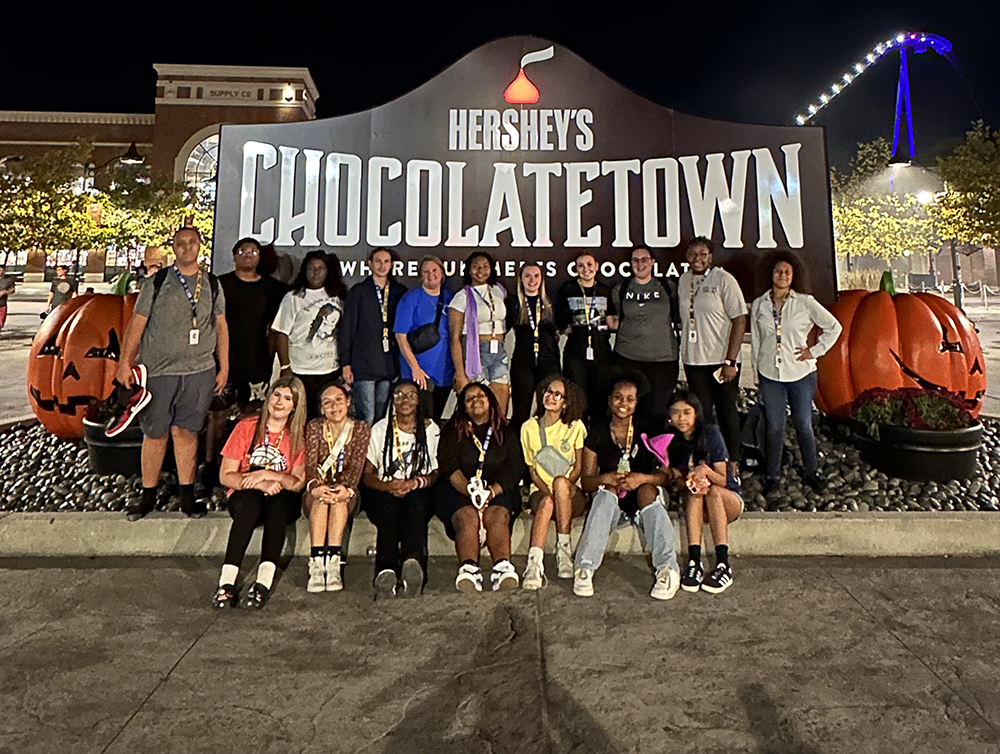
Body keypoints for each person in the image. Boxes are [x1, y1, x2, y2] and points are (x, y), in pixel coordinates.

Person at [117, 226, 228, 521]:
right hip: (159, 371)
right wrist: (124, 362)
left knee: (187, 433)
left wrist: (224, 365)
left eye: (192, 242)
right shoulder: (158, 281)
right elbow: (137, 324)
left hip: (199, 371)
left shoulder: (213, 284)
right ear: (174, 247)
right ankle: (148, 495)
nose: (187, 247)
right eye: (181, 243)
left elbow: (220, 327)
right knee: (155, 433)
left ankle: (187, 496)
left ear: (200, 246)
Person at [572, 374, 680, 600]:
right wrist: (606, 478)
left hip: (642, 498)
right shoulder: (598, 432)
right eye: (618, 397)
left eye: (630, 399)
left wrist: (641, 478)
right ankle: (585, 566)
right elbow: (587, 481)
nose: (624, 403)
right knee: (606, 493)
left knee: (647, 491)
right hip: (613, 503)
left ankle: (668, 568)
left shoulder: (648, 428)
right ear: (610, 400)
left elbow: (665, 475)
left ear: (636, 402)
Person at [750, 251, 842, 495]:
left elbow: (834, 326)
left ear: (793, 276)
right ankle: (772, 475)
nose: (782, 275)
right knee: (775, 426)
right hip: (771, 374)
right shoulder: (760, 304)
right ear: (771, 274)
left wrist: (815, 350)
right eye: (778, 271)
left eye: (787, 272)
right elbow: (757, 341)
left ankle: (812, 472)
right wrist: (756, 371)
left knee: (803, 424)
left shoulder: (805, 302)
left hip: (800, 373)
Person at [213, 377, 307, 609]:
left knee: (278, 507)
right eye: (276, 395)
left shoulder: (298, 436)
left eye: (287, 398)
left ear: (294, 406)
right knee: (250, 504)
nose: (279, 402)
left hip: (281, 495)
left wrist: (269, 476)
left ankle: (262, 583)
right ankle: (227, 583)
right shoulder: (246, 427)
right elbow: (226, 475)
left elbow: (296, 483)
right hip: (247, 494)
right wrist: (256, 483)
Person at [436, 383, 525, 593]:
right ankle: (469, 569)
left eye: (481, 396)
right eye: (469, 398)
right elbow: (449, 466)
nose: (475, 400)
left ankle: (502, 567)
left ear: (491, 401)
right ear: (463, 407)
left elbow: (515, 466)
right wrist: (470, 491)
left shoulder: (506, 430)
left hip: (498, 488)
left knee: (498, 513)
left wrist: (492, 491)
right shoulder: (452, 430)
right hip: (459, 488)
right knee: (466, 516)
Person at [361, 380, 440, 597]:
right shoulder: (380, 428)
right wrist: (386, 486)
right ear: (392, 401)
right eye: (399, 395)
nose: (405, 399)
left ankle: (412, 567)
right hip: (384, 490)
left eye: (411, 395)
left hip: (417, 488)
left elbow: (435, 473)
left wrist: (414, 483)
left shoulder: (430, 429)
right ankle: (386, 572)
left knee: (414, 507)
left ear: (418, 401)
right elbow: (367, 474)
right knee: (388, 512)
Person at [678, 237, 748, 473]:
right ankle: (707, 461)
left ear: (711, 256)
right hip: (694, 360)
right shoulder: (683, 280)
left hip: (720, 361)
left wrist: (731, 360)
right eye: (693, 254)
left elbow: (739, 320)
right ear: (687, 257)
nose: (698, 258)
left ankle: (733, 463)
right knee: (703, 414)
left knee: (727, 411)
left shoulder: (723, 279)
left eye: (703, 254)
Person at [665, 389, 743, 594]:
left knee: (713, 491)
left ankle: (723, 564)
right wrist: (684, 478)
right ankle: (694, 561)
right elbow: (679, 484)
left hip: (727, 499)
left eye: (686, 412)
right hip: (699, 502)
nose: (681, 418)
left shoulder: (710, 434)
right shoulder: (671, 441)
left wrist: (705, 471)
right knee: (695, 492)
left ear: (696, 413)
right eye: (676, 412)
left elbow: (724, 480)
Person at [519, 374, 588, 589]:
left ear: (566, 403)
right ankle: (534, 564)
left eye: (558, 395)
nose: (551, 397)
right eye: (548, 392)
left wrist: (563, 488)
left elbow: (578, 466)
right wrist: (550, 493)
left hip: (570, 490)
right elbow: (532, 470)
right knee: (547, 502)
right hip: (542, 490)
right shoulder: (529, 428)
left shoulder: (575, 427)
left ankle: (564, 550)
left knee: (560, 483)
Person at [303, 379, 371, 593]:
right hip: (317, 489)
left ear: (348, 402)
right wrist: (315, 487)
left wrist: (347, 489)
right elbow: (310, 464)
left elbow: (357, 465)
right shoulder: (315, 427)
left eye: (339, 400)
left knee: (340, 501)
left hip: (347, 490)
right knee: (322, 501)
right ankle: (316, 562)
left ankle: (333, 563)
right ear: (321, 408)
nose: (334, 406)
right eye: (328, 402)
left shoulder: (360, 428)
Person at [273, 250, 347, 419]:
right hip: (300, 370)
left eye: (321, 268)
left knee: (327, 418)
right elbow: (281, 334)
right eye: (311, 268)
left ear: (327, 271)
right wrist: (285, 367)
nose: (316, 272)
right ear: (304, 271)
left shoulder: (337, 296)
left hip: (330, 370)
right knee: (300, 418)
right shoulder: (293, 297)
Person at [611, 246, 680, 425]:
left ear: (652, 262)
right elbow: (615, 318)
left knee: (656, 413)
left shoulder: (668, 287)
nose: (639, 264)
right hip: (627, 358)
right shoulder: (622, 288)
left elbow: (679, 315)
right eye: (635, 260)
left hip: (662, 360)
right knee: (626, 410)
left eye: (644, 259)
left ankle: (652, 451)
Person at [339, 247, 407, 424]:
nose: (382, 265)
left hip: (388, 364)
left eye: (386, 261)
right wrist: (345, 363)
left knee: (382, 417)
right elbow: (347, 328)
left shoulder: (399, 291)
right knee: (366, 415)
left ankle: (378, 452)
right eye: (377, 261)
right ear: (369, 264)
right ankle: (364, 452)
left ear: (392, 265)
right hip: (363, 364)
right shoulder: (359, 291)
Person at [218, 238, 287, 408]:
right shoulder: (219, 284)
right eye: (243, 252)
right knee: (218, 413)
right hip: (225, 360)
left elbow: (276, 329)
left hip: (259, 362)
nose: (248, 256)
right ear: (234, 256)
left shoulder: (275, 289)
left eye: (253, 252)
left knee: (255, 412)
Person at [556, 251, 617, 426]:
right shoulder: (568, 289)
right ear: (576, 269)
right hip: (575, 351)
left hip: (601, 350)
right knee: (576, 398)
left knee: (600, 399)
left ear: (596, 267)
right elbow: (561, 317)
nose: (586, 269)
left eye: (590, 265)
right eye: (581, 266)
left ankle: (596, 441)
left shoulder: (605, 290)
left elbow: (612, 319)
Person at [449, 251, 510, 416]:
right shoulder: (461, 297)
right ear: (469, 270)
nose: (480, 270)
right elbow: (454, 338)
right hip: (476, 353)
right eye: (475, 266)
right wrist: (460, 374)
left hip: (499, 351)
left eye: (485, 266)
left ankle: (497, 439)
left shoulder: (498, 291)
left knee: (500, 406)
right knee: (478, 406)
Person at [395, 255, 455, 421]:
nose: (431, 275)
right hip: (419, 373)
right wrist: (415, 368)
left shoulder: (452, 298)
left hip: (444, 372)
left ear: (442, 273)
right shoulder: (410, 299)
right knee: (418, 419)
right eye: (426, 271)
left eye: (435, 270)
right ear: (420, 275)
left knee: (434, 420)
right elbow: (401, 336)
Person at [507, 262, 560, 431]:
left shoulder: (551, 301)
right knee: (521, 412)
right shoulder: (514, 303)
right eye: (527, 276)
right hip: (523, 362)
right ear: (520, 279)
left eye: (536, 276)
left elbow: (562, 327)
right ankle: (518, 452)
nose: (532, 280)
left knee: (548, 411)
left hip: (549, 361)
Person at [0, 265, 15, 336]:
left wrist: (4, 292)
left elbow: (12, 290)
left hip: (2, 304)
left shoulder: (8, 279)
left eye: (1, 270)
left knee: (1, 322)